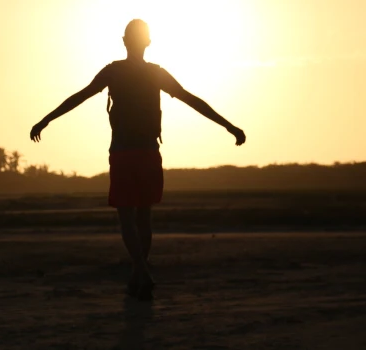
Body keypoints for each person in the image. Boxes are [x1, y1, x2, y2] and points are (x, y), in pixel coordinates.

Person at [30, 19, 245, 300]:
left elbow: (79, 97)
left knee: (128, 217)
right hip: (146, 151)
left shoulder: (114, 72)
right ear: (148, 42)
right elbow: (192, 100)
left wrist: (45, 120)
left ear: (124, 41)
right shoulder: (153, 74)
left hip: (123, 151)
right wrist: (229, 126)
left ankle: (140, 273)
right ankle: (140, 273)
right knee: (143, 217)